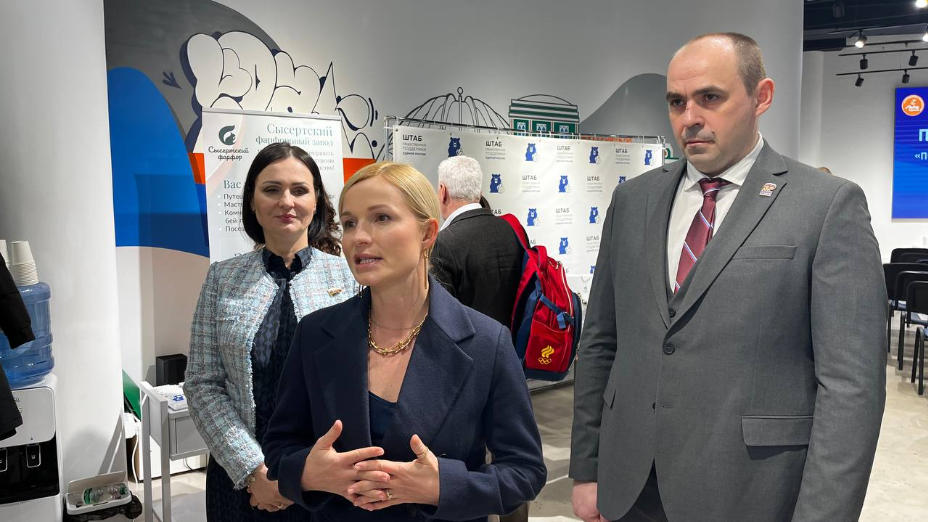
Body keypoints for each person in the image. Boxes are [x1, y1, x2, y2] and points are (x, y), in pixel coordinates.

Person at [570, 33, 886, 522]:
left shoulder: (826, 205)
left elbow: (851, 386)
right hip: (630, 486)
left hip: (751, 490)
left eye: (710, 97)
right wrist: (587, 469)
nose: (689, 118)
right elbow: (601, 342)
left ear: (762, 96)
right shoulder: (633, 201)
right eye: (677, 102)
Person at [262, 161, 546, 522]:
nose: (359, 237)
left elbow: (524, 471)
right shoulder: (316, 333)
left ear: (427, 233)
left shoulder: (487, 344)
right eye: (349, 223)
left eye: (381, 218)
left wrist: (442, 486)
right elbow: (280, 445)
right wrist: (308, 473)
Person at [185, 142, 356, 521]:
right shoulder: (223, 279)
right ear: (252, 201)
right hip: (240, 480)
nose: (286, 201)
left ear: (316, 201)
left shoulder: (348, 278)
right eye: (272, 189)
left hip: (325, 479)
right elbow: (202, 383)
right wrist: (253, 471)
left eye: (300, 190)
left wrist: (308, 474)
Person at [431, 155, 523, 328]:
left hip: (471, 344)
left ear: (443, 191)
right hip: (514, 342)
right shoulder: (511, 230)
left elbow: (442, 320)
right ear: (479, 192)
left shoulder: (443, 243)